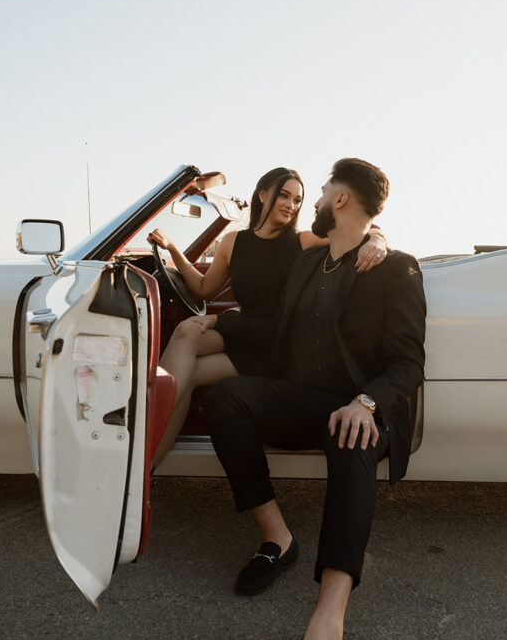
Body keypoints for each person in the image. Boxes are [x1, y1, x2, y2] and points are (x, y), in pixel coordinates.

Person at [202, 157, 426, 640]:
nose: (315, 199)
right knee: (227, 398)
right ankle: (278, 538)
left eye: (323, 190)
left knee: (351, 438)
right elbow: (271, 327)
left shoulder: (394, 267)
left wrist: (368, 403)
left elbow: (407, 364)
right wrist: (214, 329)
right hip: (306, 398)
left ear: (342, 201)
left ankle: (326, 626)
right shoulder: (305, 264)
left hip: (361, 408)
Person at [147, 167, 388, 466]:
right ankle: (150, 464)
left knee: (186, 338)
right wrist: (172, 250)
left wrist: (378, 240)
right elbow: (203, 288)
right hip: (244, 332)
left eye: (297, 199)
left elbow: (359, 230)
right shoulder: (232, 242)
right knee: (186, 340)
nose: (291, 205)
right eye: (284, 195)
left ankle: (144, 440)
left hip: (273, 345)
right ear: (263, 194)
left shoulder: (303, 240)